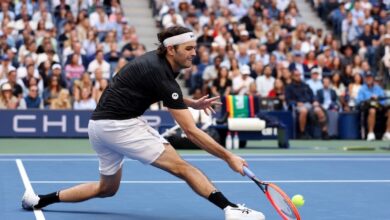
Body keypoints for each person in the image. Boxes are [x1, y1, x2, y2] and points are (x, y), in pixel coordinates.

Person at [22, 26, 265, 220]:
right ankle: (231, 209)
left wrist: (189, 103)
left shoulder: (155, 63)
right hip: (121, 126)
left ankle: (39, 200)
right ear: (171, 49)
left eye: (195, 48)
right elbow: (190, 131)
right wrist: (229, 157)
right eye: (188, 48)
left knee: (106, 189)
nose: (194, 53)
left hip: (98, 127)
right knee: (184, 167)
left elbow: (152, 90)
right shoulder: (163, 75)